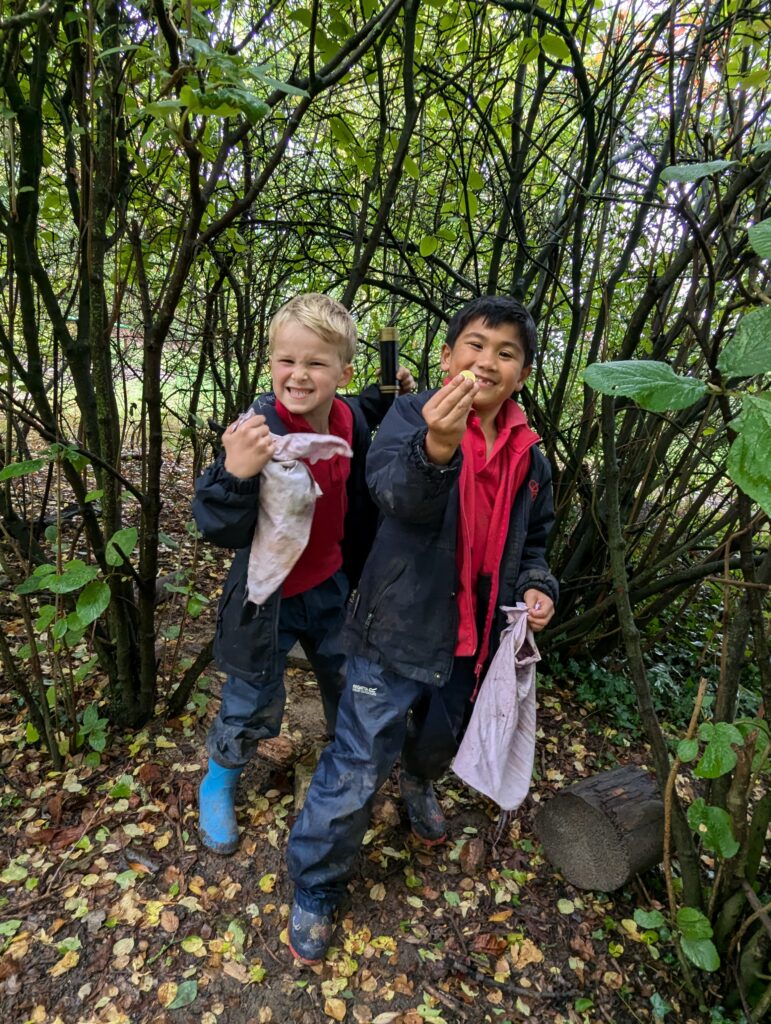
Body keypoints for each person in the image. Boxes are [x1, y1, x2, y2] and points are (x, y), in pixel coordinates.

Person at [286, 295, 559, 963]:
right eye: (473, 345)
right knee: (354, 765)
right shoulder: (409, 418)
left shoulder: (530, 454)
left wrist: (536, 586)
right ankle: (315, 886)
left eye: (505, 352)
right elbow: (393, 498)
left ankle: (418, 782)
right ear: (446, 358)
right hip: (395, 630)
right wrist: (437, 446)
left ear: (521, 373)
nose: (486, 361)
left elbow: (536, 543)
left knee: (440, 741)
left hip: (476, 642)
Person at [192, 292, 413, 854]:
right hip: (267, 598)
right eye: (286, 360)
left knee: (346, 678)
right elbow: (214, 522)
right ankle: (219, 779)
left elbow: (358, 419)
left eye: (317, 363)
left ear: (343, 371)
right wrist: (236, 476)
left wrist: (386, 396)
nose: (299, 374)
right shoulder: (259, 431)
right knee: (251, 694)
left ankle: (341, 768)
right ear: (270, 363)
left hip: (334, 587)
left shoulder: (348, 419)